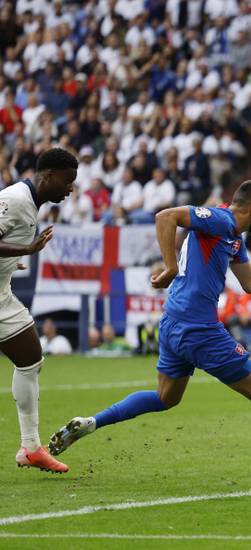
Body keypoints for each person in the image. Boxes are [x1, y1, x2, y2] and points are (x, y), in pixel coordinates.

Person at [48, 181, 251, 489]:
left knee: (166, 398)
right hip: (199, 328)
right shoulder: (222, 220)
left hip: (173, 323)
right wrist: (171, 266)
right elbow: (166, 217)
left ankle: (92, 422)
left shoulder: (234, 238)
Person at [0, 147, 77, 474]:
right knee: (30, 359)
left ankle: (31, 448)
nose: (70, 189)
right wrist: (28, 249)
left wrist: (9, 261)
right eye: (67, 180)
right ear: (48, 176)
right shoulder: (16, 199)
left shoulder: (28, 203)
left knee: (31, 359)